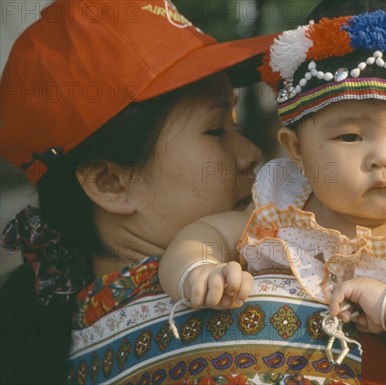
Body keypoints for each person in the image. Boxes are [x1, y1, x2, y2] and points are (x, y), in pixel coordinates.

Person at [158, 1, 386, 384]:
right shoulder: (284, 215)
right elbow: (206, 233)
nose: (381, 157)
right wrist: (196, 271)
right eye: (350, 136)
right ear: (298, 150)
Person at [0, 0, 291, 384]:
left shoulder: (75, 332)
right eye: (216, 131)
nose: (251, 154)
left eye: (234, 123)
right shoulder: (229, 330)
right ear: (110, 182)